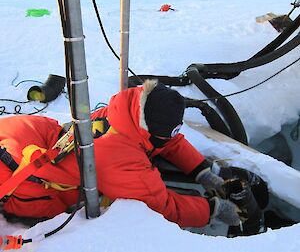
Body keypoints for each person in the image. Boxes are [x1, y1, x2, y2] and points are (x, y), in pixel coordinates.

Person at [0, 80, 242, 228]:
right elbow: (164, 207)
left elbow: (167, 140)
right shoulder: (123, 162)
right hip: (20, 179)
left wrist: (201, 170)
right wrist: (214, 210)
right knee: (51, 203)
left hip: (22, 135)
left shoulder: (125, 110)